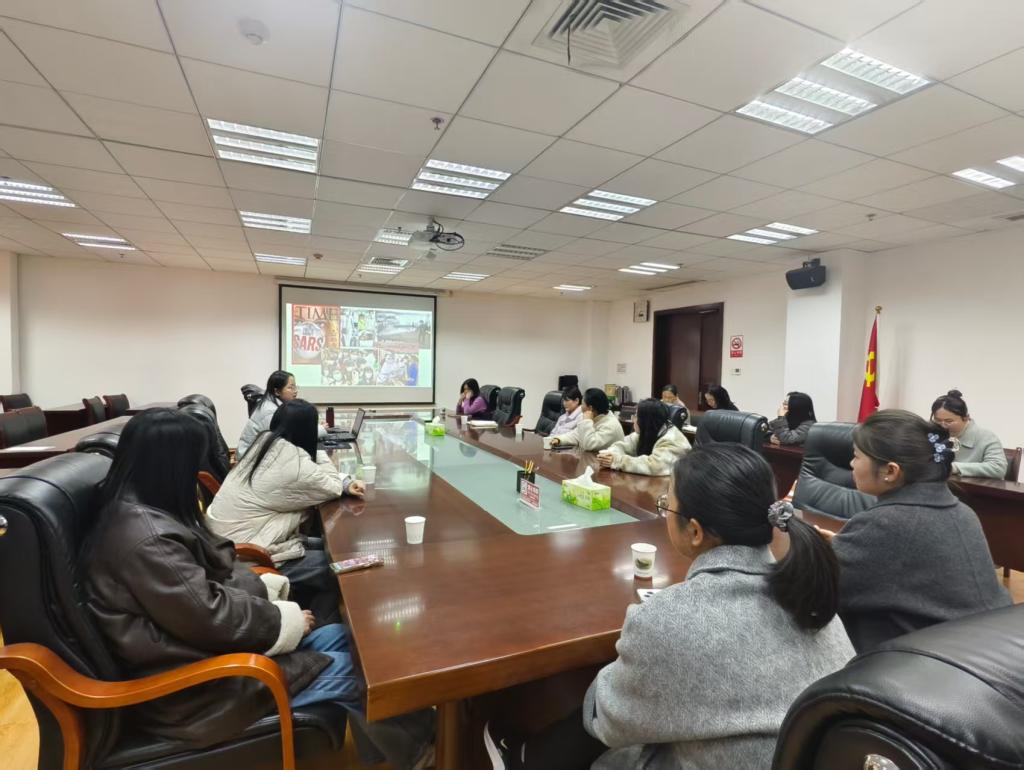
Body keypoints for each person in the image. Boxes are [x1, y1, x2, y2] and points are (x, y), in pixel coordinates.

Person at [82, 409, 435, 769]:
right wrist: (284, 620)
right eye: (192, 465)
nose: (194, 476)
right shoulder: (147, 541)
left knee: (356, 642)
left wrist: (269, 600)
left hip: (209, 657)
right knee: (367, 674)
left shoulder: (140, 514)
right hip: (199, 693)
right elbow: (213, 617)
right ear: (169, 467)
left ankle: (391, 752)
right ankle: (429, 754)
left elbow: (212, 589)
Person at [484, 444, 853, 770]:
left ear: (694, 531)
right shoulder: (815, 599)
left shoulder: (669, 619)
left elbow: (607, 720)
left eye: (668, 507)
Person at [820, 410, 1012, 653]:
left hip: (916, 664)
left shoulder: (886, 523)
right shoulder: (964, 512)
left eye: (856, 456)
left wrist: (808, 550)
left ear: (890, 471)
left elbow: (817, 586)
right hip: (978, 653)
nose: (851, 464)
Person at [207, 400, 364, 624]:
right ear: (307, 432)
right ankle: (319, 628)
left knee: (333, 547)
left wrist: (337, 474)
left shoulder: (266, 443)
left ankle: (314, 615)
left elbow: (319, 479)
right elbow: (331, 486)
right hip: (250, 555)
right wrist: (316, 448)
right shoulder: (292, 464)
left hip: (231, 545)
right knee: (340, 568)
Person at [237, 370, 326, 459]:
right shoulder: (269, 412)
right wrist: (319, 430)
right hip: (249, 459)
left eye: (295, 387)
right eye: (290, 388)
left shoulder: (275, 405)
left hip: (259, 456)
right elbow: (288, 438)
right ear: (277, 391)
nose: (295, 391)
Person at [597, 398, 690, 476]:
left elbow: (654, 466)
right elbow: (621, 445)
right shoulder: (650, 431)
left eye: (636, 416)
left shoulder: (672, 440)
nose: (633, 419)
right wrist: (609, 455)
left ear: (647, 421)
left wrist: (618, 461)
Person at [930, 389, 1007, 478]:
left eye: (949, 421)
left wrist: (954, 468)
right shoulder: (931, 433)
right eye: (938, 420)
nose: (942, 425)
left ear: (966, 418)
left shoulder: (986, 437)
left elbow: (998, 468)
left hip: (972, 486)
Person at [549, 388, 624, 451]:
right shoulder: (594, 417)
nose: (581, 406)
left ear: (590, 408)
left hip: (607, 464)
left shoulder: (610, 426)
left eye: (582, 403)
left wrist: (587, 421)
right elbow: (575, 435)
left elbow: (589, 445)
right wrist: (559, 439)